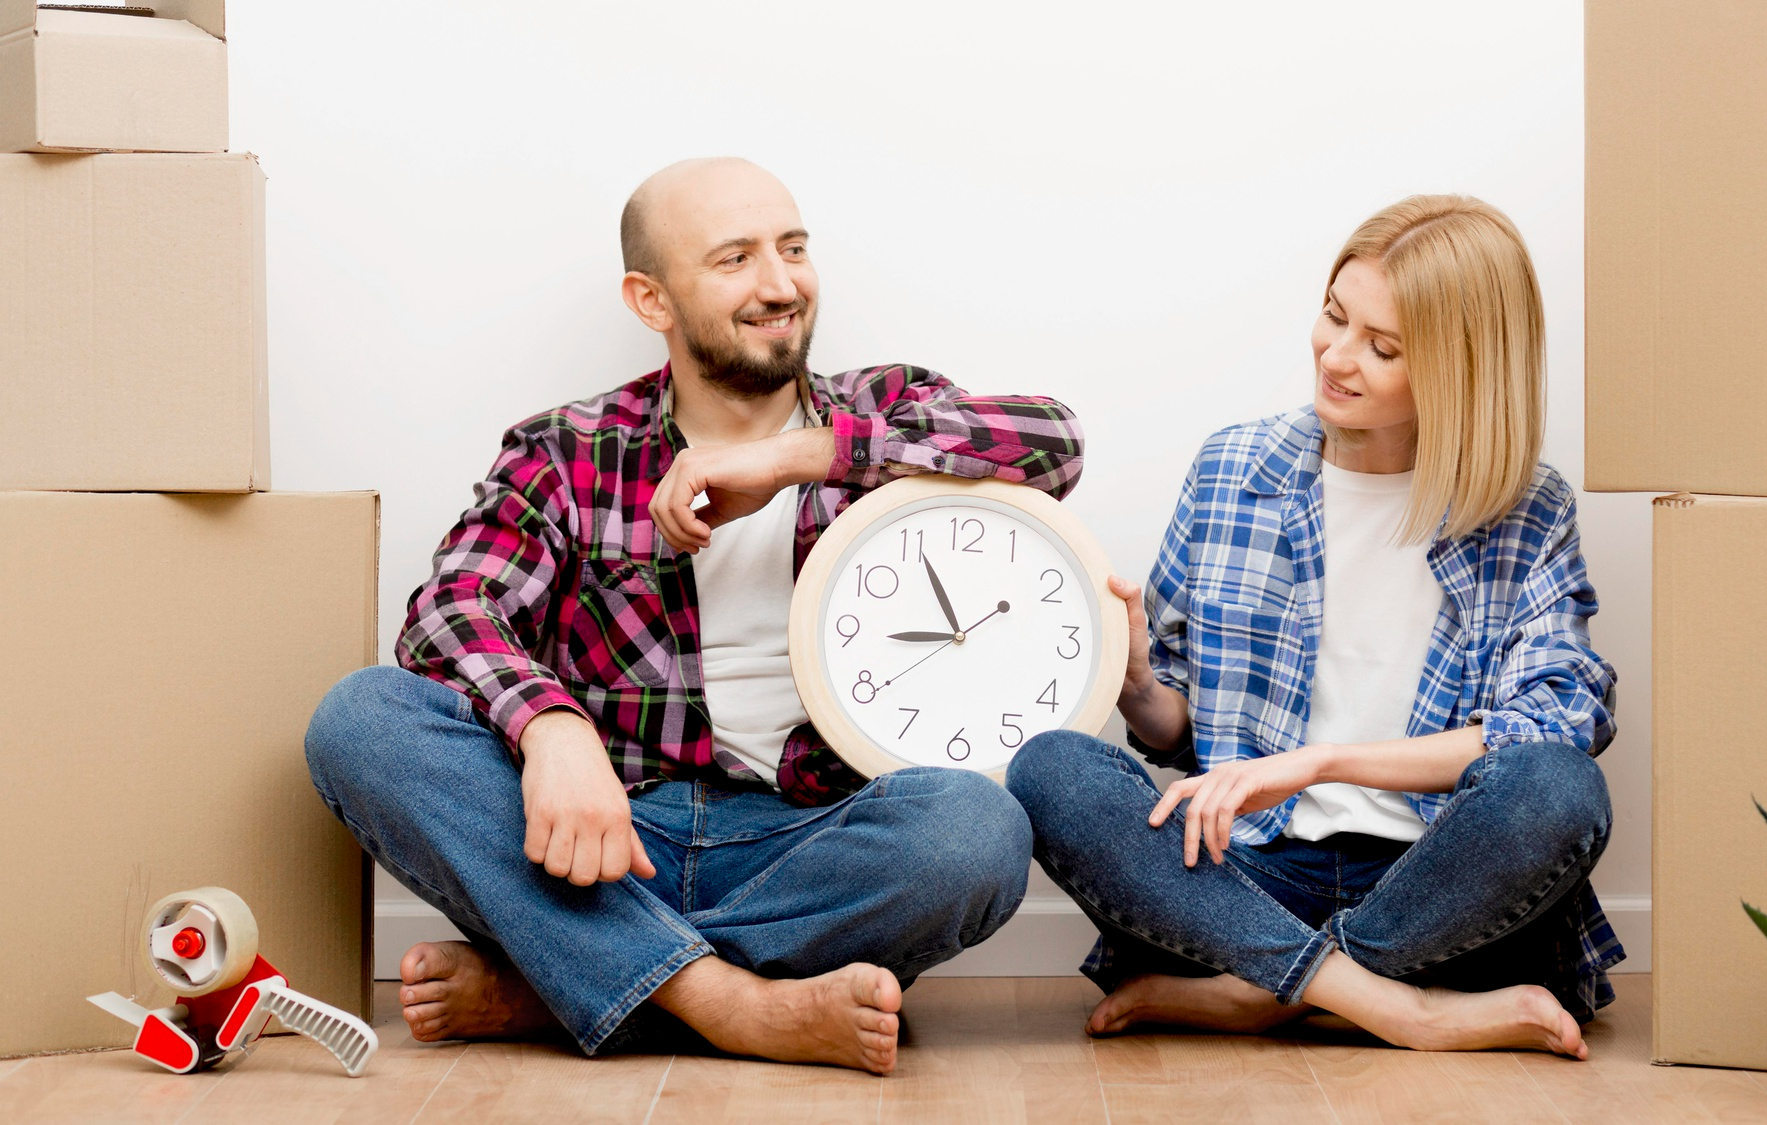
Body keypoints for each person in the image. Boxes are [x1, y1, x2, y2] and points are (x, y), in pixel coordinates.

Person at [304, 157, 1084, 1075]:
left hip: (812, 840)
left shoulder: (885, 411)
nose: (781, 284)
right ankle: (734, 1005)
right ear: (652, 299)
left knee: (977, 831)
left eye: (794, 249)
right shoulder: (568, 449)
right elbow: (449, 611)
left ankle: (566, 982)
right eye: (736, 258)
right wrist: (552, 730)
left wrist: (796, 459)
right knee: (363, 719)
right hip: (605, 839)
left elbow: (1056, 442)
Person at [1008, 194, 1622, 1058]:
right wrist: (1139, 682)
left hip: (1438, 888)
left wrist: (1323, 761)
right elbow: (1179, 736)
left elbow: (1555, 722)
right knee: (1052, 770)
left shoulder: (1529, 510)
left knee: (1559, 788)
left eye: (1383, 347)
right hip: (1251, 876)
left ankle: (1262, 992)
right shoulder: (1232, 469)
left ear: (1461, 370)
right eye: (1334, 316)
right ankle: (1395, 1007)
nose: (1336, 356)